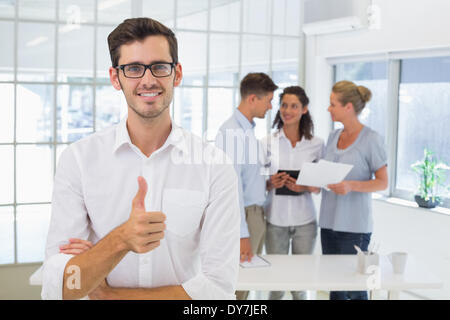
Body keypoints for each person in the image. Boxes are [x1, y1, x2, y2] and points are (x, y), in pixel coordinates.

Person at [41, 17, 240, 300]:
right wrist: (120, 239)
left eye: (159, 67)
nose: (148, 80)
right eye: (134, 68)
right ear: (115, 77)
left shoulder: (214, 166)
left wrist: (110, 295)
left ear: (177, 73)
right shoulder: (79, 160)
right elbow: (59, 287)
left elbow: (218, 290)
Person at [319, 80, 388, 300]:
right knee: (335, 286)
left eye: (333, 104)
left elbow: (382, 182)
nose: (328, 109)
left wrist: (352, 186)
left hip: (355, 226)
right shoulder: (332, 137)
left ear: (348, 107)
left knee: (355, 287)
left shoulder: (371, 139)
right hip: (328, 223)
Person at [215, 73, 278, 300]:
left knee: (247, 282)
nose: (271, 106)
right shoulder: (232, 132)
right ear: (253, 99)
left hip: (255, 214)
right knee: (237, 284)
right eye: (268, 100)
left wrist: (267, 184)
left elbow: (247, 177)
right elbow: (232, 187)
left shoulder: (248, 130)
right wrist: (242, 234)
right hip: (245, 217)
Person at [262, 86, 324, 300]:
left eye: (294, 106)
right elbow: (257, 182)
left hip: (305, 221)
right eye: (284, 105)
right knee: (276, 282)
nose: (287, 110)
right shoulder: (267, 143)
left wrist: (304, 186)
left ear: (304, 109)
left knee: (300, 282)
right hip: (275, 220)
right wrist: (270, 183)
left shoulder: (316, 145)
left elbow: (319, 186)